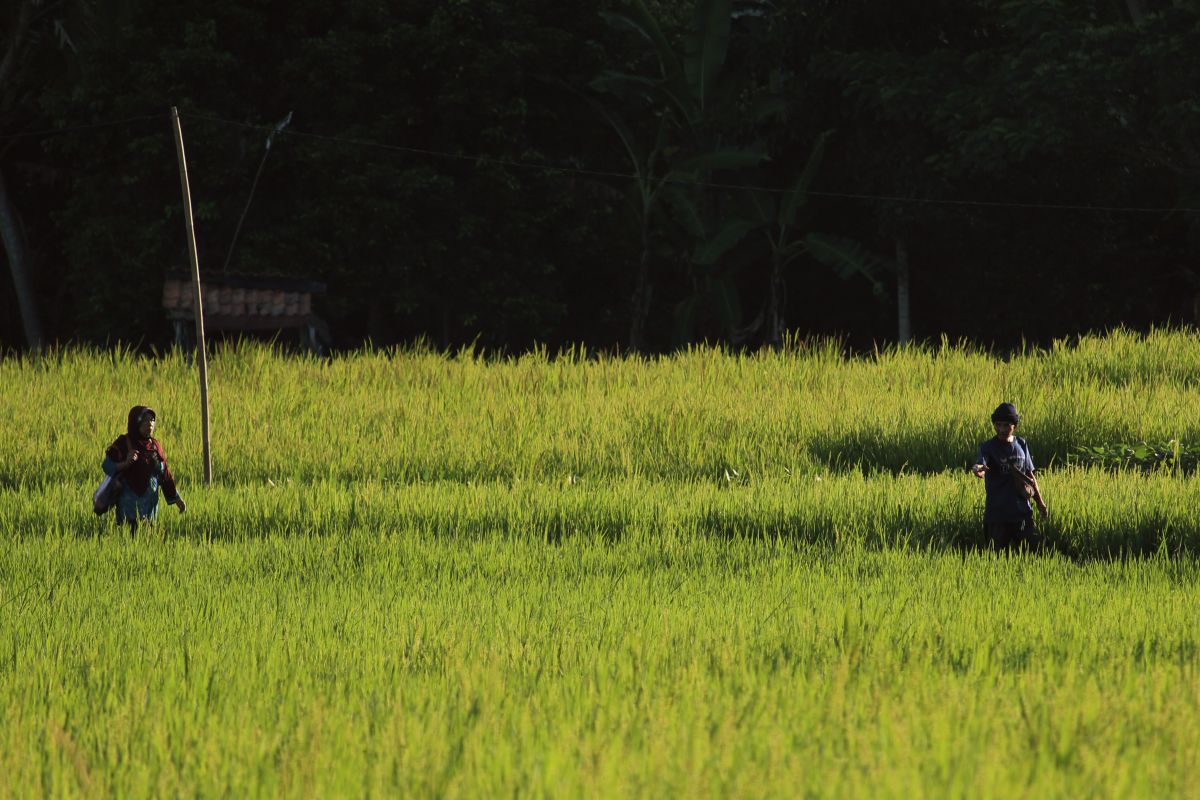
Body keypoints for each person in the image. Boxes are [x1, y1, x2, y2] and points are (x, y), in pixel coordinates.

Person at [971, 402, 1047, 550]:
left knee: (1036, 555)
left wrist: (1040, 502)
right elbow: (981, 463)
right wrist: (978, 469)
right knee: (996, 562)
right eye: (998, 425)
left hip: (1023, 514)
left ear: (1015, 425)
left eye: (1006, 425)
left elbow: (1030, 476)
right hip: (997, 517)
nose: (1001, 429)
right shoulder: (988, 447)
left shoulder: (1021, 444)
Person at [102, 406, 185, 533]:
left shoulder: (155, 446)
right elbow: (107, 466)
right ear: (136, 422)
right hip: (128, 511)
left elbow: (164, 474)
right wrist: (124, 464)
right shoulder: (124, 443)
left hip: (150, 511)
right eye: (145, 420)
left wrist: (176, 498)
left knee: (147, 541)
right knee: (128, 541)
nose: (150, 424)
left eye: (152, 420)